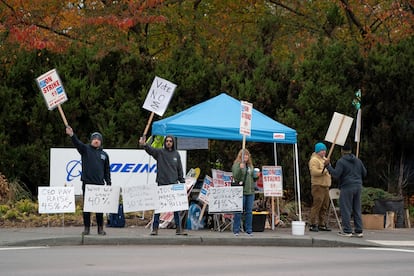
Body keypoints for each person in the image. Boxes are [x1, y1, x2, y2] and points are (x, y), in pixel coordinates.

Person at [65, 126, 111, 235]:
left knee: (99, 208)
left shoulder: (104, 155)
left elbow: (107, 170)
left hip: (99, 184)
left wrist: (108, 182)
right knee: (87, 208)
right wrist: (72, 135)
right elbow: (77, 143)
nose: (96, 141)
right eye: (94, 139)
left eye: (98, 139)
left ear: (101, 141)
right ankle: (86, 228)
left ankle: (100, 228)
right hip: (87, 183)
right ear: (91, 140)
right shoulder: (85, 150)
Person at [139, 135, 187, 236]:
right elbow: (151, 150)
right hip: (162, 184)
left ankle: (179, 229)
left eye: (170, 141)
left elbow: (179, 169)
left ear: (173, 142)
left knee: (176, 209)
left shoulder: (176, 154)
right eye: (167, 141)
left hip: (173, 184)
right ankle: (155, 229)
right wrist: (144, 145)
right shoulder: (160, 152)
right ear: (165, 142)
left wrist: (182, 181)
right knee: (158, 208)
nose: (168, 142)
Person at [325, 143, 367, 237]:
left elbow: (336, 174)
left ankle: (347, 230)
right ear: (351, 150)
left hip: (347, 186)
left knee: (346, 209)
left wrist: (328, 166)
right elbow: (364, 173)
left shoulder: (341, 161)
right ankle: (359, 230)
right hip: (358, 186)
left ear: (342, 151)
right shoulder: (358, 160)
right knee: (357, 208)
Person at [231, 149, 257, 236]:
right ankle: (236, 230)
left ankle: (249, 230)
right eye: (244, 155)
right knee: (239, 211)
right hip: (241, 191)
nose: (246, 157)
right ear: (240, 156)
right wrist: (240, 169)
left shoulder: (250, 166)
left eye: (247, 155)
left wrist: (256, 176)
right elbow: (236, 176)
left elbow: (253, 178)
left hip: (250, 191)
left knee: (249, 212)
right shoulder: (237, 165)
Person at [308, 142, 332, 232]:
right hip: (318, 186)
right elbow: (314, 172)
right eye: (322, 150)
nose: (324, 152)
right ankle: (313, 223)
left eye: (325, 150)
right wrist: (325, 170)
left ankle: (322, 223)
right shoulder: (314, 160)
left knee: (325, 206)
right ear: (317, 151)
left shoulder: (325, 159)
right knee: (317, 205)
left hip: (326, 186)